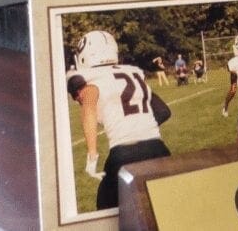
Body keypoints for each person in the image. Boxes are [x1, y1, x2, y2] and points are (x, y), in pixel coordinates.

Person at [67, 30, 171, 210]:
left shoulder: (91, 80)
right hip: (158, 148)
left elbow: (88, 111)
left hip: (124, 154)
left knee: (107, 210)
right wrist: (139, 126)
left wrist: (92, 156)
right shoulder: (134, 72)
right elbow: (163, 111)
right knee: (161, 209)